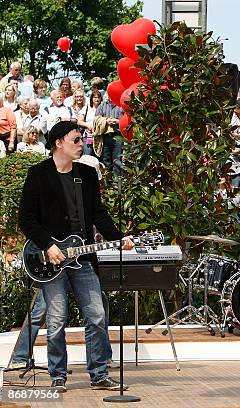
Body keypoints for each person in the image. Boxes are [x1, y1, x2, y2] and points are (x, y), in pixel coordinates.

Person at [18, 121, 134, 392]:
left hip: (82, 259)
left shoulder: (86, 174)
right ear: (58, 143)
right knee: (57, 319)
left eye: (82, 140)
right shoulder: (38, 174)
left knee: (96, 314)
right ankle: (57, 376)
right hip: (52, 259)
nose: (82, 144)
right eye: (76, 140)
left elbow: (98, 214)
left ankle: (100, 374)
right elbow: (26, 219)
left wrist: (117, 239)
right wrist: (48, 245)